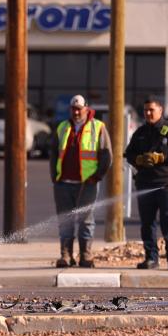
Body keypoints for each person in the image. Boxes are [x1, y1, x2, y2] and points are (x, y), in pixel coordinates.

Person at [49, 94, 113, 268]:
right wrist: (54, 176)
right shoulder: (62, 127)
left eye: (79, 109)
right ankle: (66, 255)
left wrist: (97, 176)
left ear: (86, 108)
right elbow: (54, 153)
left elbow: (107, 156)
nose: (76, 112)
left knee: (86, 220)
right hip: (63, 183)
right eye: (73, 109)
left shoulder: (98, 127)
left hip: (87, 183)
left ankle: (86, 255)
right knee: (65, 220)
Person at [125, 96, 168, 270]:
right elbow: (128, 154)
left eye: (151, 110)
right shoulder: (140, 133)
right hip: (145, 184)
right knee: (147, 224)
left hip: (166, 185)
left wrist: (163, 158)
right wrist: (138, 158)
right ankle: (151, 258)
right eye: (145, 110)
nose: (148, 113)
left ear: (161, 110)